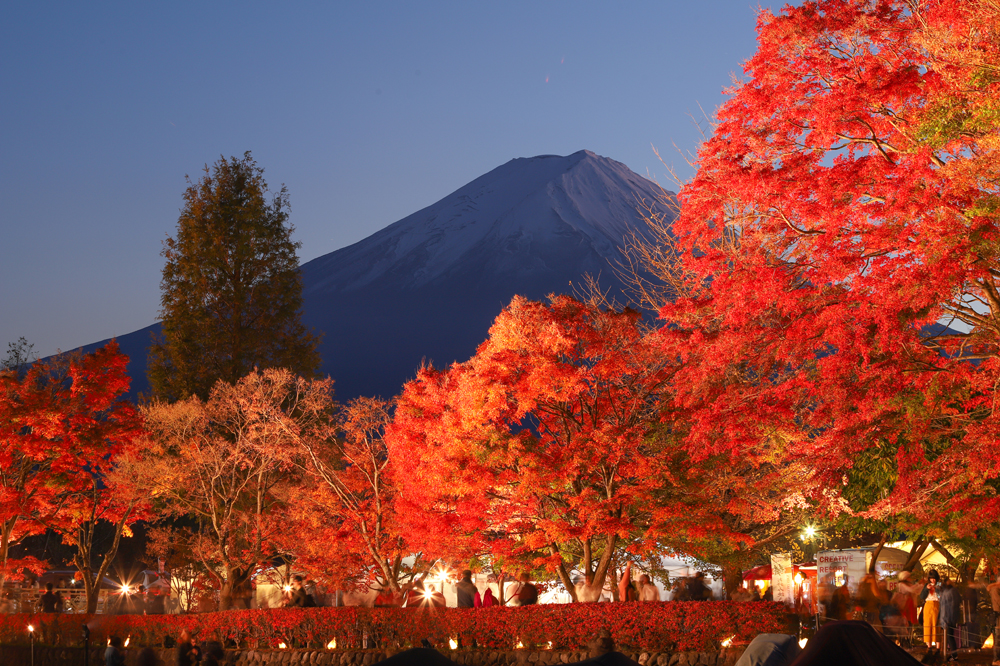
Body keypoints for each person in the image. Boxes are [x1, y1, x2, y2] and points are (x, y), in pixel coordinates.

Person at [938, 576, 960, 662]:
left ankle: (954, 655)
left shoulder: (951, 591)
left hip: (948, 618)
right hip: (946, 617)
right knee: (949, 637)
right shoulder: (945, 591)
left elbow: (952, 606)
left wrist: (949, 619)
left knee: (950, 636)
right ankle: (953, 655)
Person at [920, 570, 942, 648]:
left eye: (934, 578)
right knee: (927, 625)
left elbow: (941, 596)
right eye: (932, 578)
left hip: (937, 605)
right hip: (928, 605)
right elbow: (922, 597)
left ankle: (938, 647)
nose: (933, 580)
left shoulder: (939, 585)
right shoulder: (926, 585)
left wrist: (937, 589)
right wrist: (926, 589)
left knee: (936, 625)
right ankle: (929, 646)